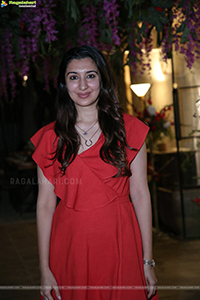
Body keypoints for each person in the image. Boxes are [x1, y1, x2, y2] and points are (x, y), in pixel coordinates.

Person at [31, 45, 158, 300]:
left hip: (120, 239)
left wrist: (147, 262)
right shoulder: (49, 138)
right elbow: (45, 204)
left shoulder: (129, 130)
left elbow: (141, 194)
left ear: (102, 79)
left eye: (90, 75)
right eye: (73, 77)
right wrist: (44, 268)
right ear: (64, 85)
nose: (83, 85)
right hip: (70, 243)